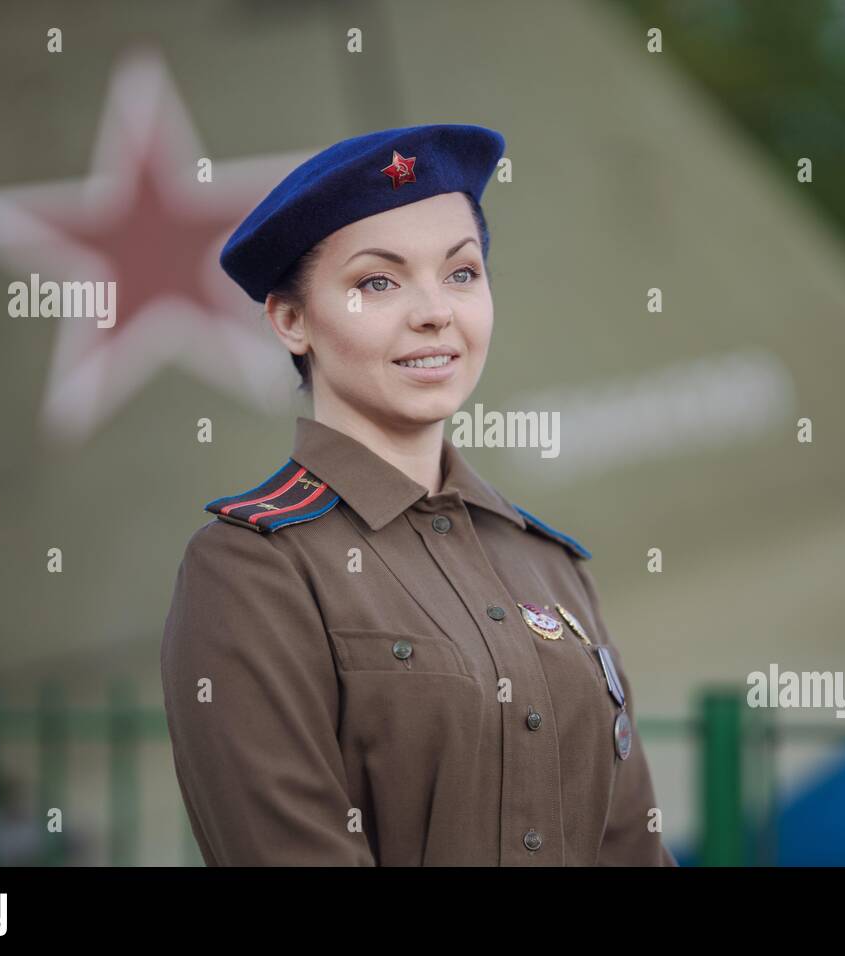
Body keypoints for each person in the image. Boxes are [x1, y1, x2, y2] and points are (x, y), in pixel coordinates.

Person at [160, 123, 677, 866]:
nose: (436, 311)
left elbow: (634, 848)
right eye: (379, 281)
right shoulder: (252, 573)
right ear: (291, 319)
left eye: (462, 274)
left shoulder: (549, 565)